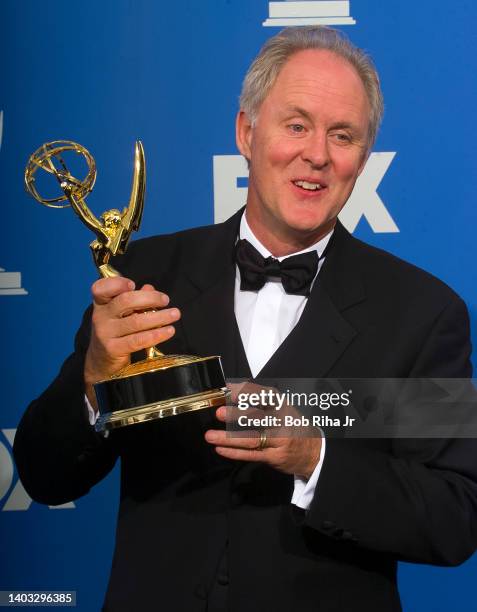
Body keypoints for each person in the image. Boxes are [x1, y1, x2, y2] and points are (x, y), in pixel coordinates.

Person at [14, 26, 477, 612]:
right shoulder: (145, 276)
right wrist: (93, 380)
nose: (317, 154)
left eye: (343, 135)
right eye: (296, 124)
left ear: (363, 158)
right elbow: (44, 476)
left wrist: (316, 459)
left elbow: (456, 515)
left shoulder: (422, 312)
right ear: (246, 133)